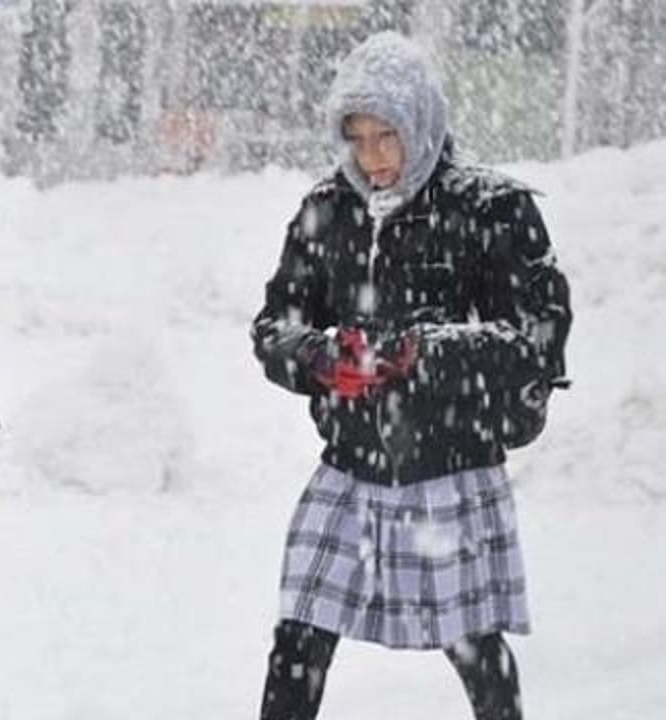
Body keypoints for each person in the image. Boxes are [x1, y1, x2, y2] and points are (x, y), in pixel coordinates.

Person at [250, 32, 571, 720]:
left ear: (422, 122)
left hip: (451, 466)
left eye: (387, 135)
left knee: (474, 648)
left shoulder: (490, 207)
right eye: (357, 139)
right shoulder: (327, 209)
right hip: (350, 463)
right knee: (298, 638)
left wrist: (425, 351)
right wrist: (316, 356)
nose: (373, 158)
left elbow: (536, 339)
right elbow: (274, 324)